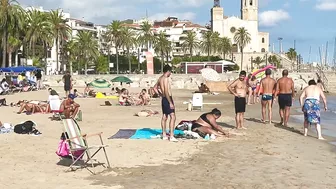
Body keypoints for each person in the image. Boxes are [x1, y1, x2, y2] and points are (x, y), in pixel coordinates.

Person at [155, 64, 177, 142]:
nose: (171, 73)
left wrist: (161, 95)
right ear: (168, 71)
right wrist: (170, 102)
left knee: (164, 116)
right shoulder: (165, 79)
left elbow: (155, 88)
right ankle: (171, 135)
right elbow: (166, 91)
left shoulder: (160, 78)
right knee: (173, 116)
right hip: (168, 98)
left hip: (164, 98)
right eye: (170, 72)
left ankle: (164, 134)